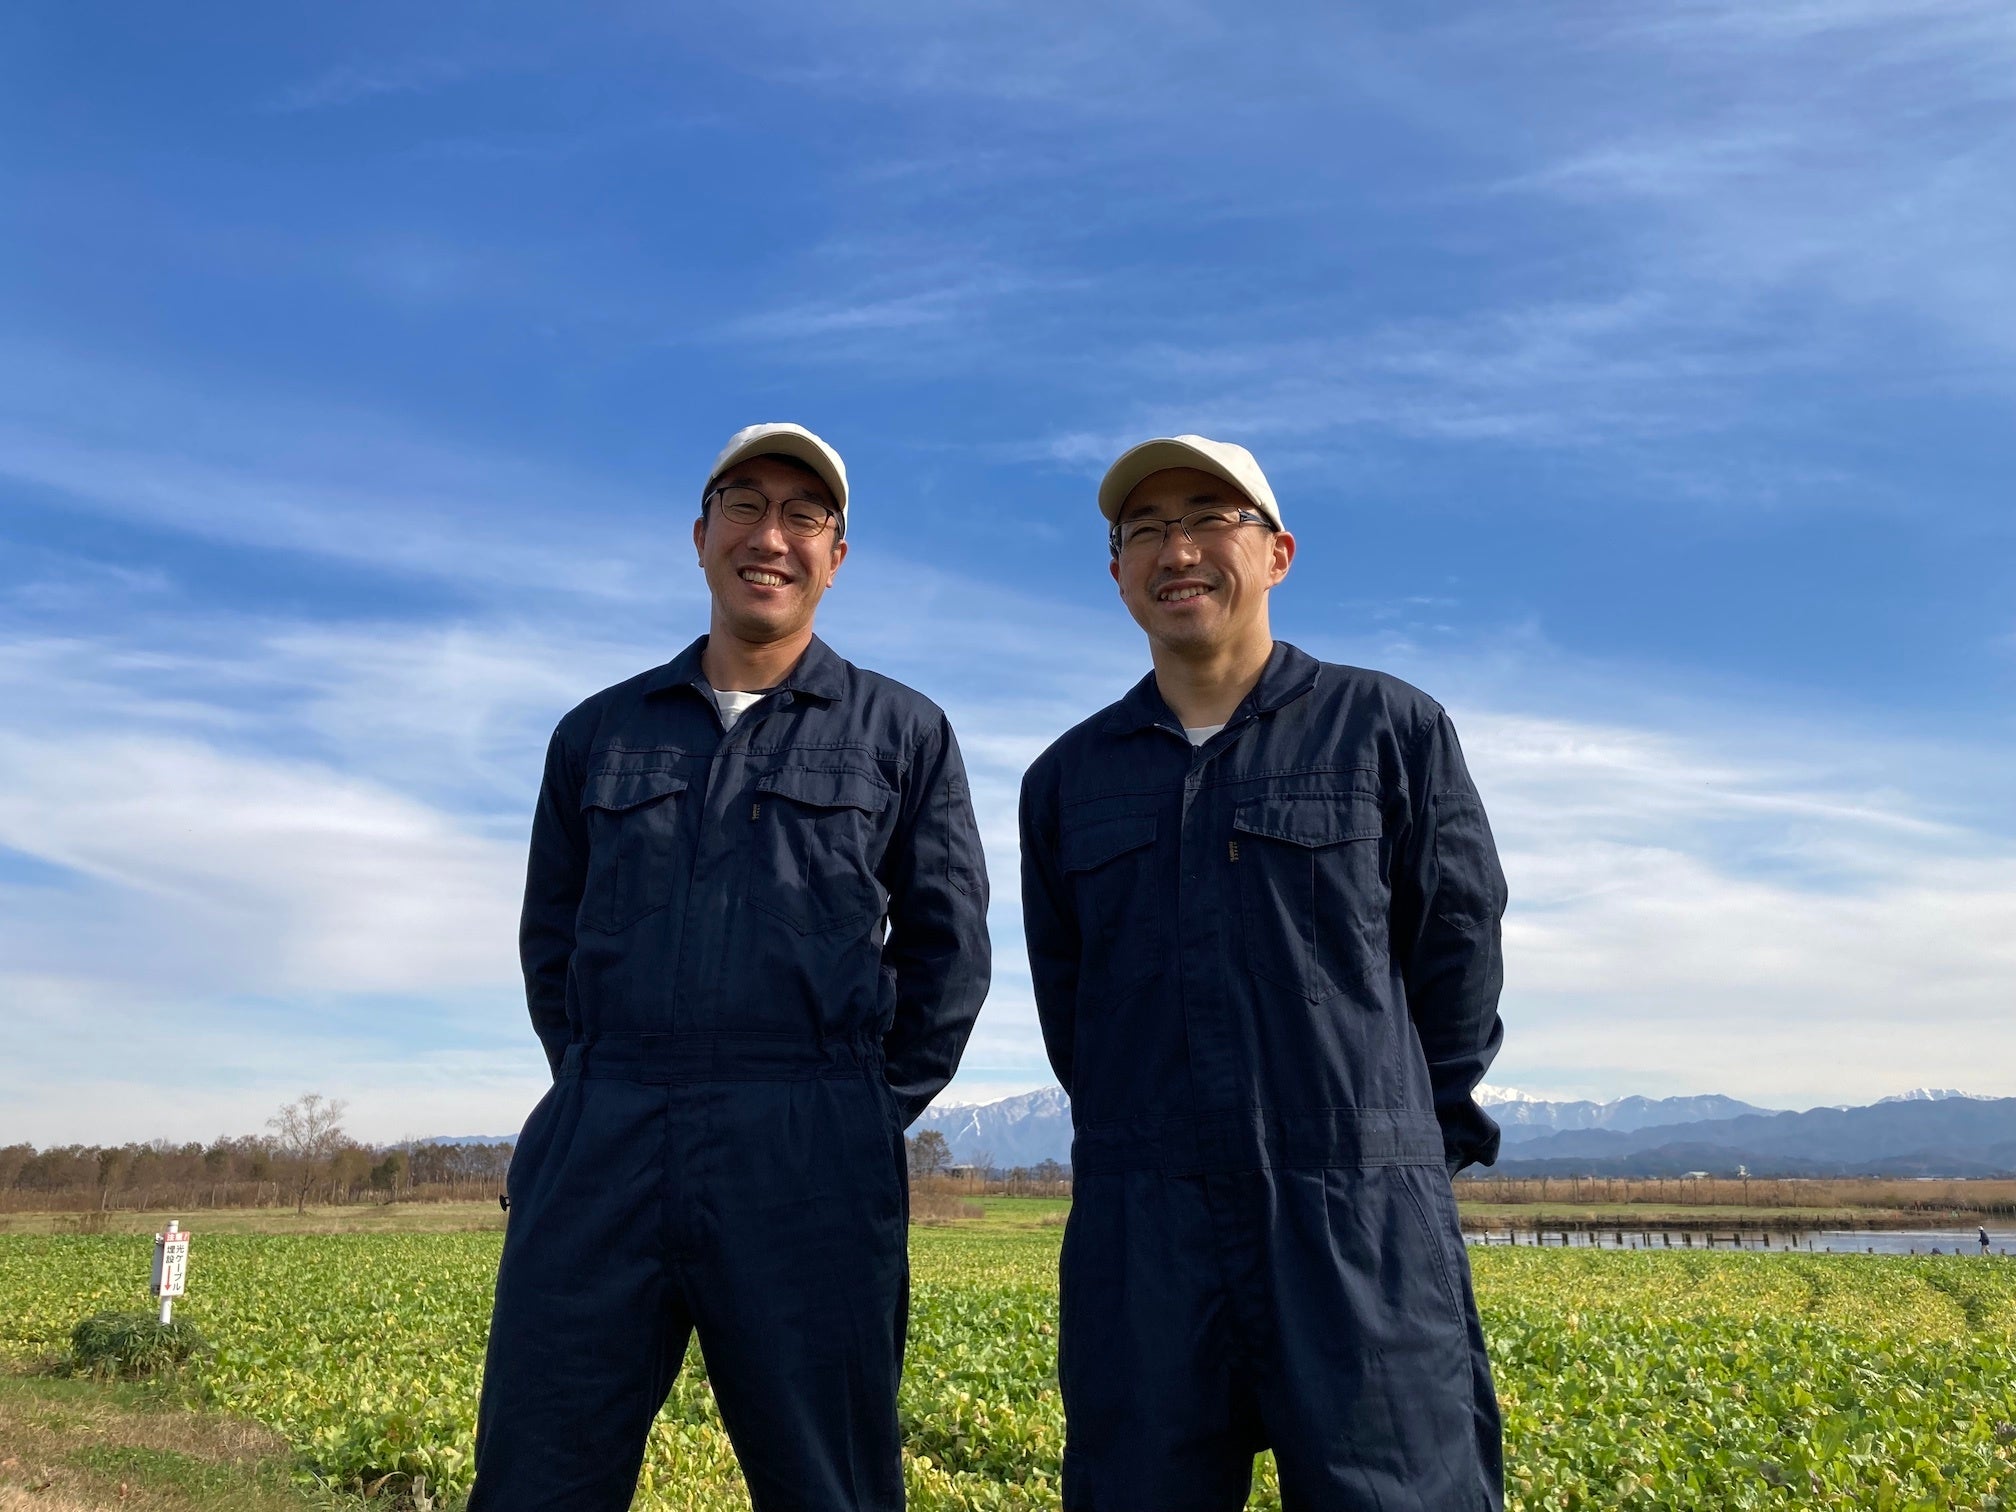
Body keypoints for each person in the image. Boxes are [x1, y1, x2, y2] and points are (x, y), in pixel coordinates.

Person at [471, 423, 992, 1511]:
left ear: (836, 556)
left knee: (828, 1485)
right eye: (745, 507)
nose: (771, 536)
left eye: (804, 516)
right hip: (605, 1132)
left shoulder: (904, 733)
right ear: (700, 536)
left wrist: (856, 1107)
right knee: (537, 1473)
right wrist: (606, 1078)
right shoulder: (599, 734)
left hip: (810, 1149)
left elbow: (949, 956)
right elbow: (550, 942)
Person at [1019, 435, 1507, 1511]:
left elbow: (1458, 958)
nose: (1178, 550)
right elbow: (1073, 1010)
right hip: (1143, 1232)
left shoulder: (1389, 730)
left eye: (1210, 519)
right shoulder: (1067, 780)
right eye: (1146, 530)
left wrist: (1386, 1136)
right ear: (1117, 572)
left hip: (1357, 1219)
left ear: (1277, 553)